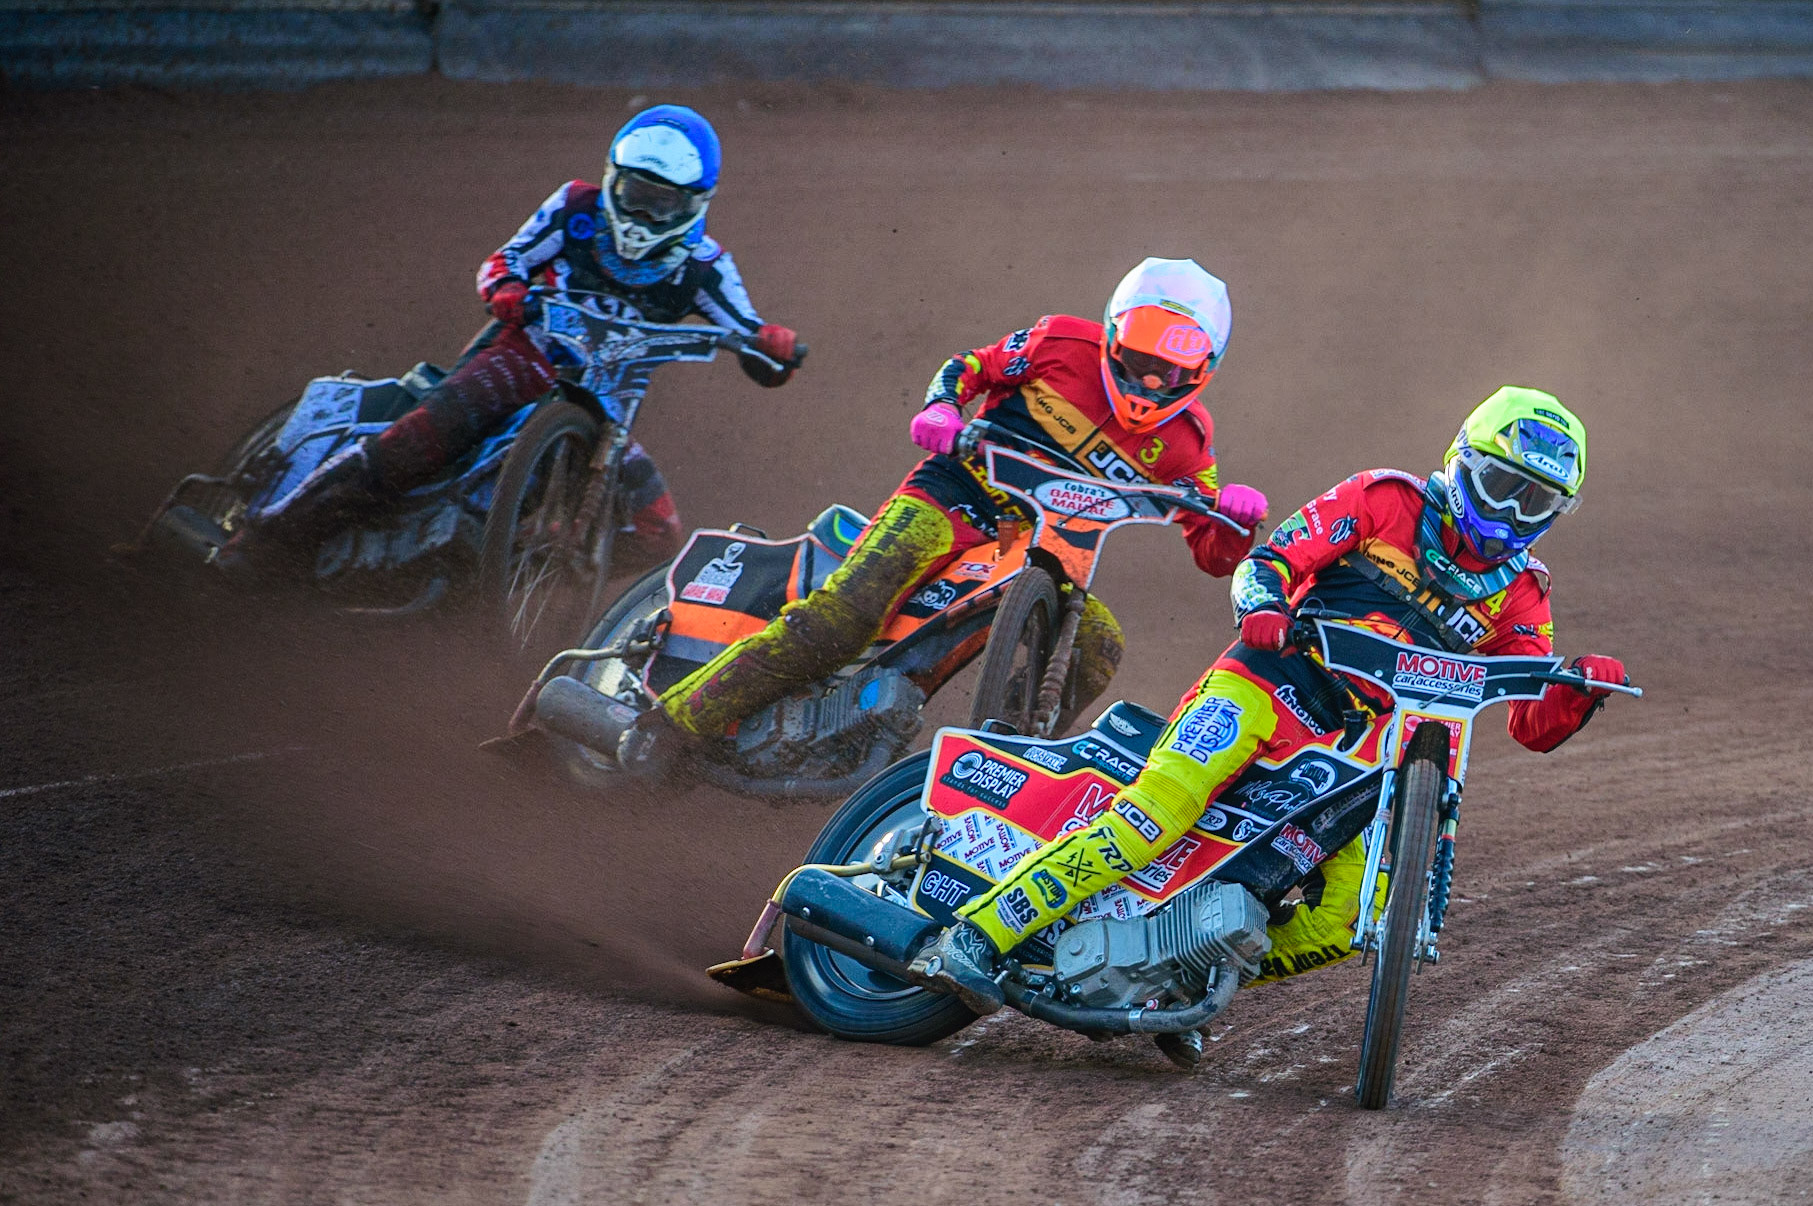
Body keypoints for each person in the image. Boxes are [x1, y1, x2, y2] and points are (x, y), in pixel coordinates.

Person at [906, 386, 1629, 1054]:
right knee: (1155, 816)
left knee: (1352, 916)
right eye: (1501, 486)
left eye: (1535, 502)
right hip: (1267, 684)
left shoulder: (1523, 593)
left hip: (1359, 756)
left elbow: (1528, 720)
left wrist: (1578, 690)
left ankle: (1179, 975)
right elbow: (1270, 559)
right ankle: (974, 937)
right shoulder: (1384, 499)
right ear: (1462, 462)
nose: (1510, 514)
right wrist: (1263, 606)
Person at [618, 257, 1270, 772]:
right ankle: (669, 725)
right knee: (845, 616)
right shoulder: (1059, 342)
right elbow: (970, 367)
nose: (1150, 382)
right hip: (951, 494)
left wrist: (1237, 522)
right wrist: (942, 408)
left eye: (1171, 371)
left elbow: (1213, 554)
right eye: (1141, 359)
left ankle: (1006, 764)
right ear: (1112, 333)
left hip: (1033, 546)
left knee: (1098, 643)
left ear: (1204, 369)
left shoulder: (1188, 444)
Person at [219, 104, 802, 576]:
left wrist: (771, 347)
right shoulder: (574, 208)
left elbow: (750, 334)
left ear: (694, 204)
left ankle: (510, 570)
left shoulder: (706, 268)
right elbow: (506, 260)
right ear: (612, 181)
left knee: (657, 535)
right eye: (634, 194)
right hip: (525, 357)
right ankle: (269, 537)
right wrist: (507, 290)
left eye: (662, 203)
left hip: (608, 411)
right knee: (424, 437)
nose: (643, 214)